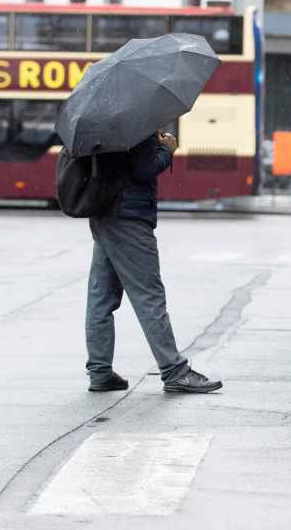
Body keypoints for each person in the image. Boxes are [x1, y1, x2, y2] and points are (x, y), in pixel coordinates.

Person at [84, 129, 222, 393]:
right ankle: (175, 371)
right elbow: (143, 169)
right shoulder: (134, 121)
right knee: (150, 296)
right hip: (130, 218)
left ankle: (100, 372)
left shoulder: (103, 121)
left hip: (105, 214)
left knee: (101, 299)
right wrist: (167, 150)